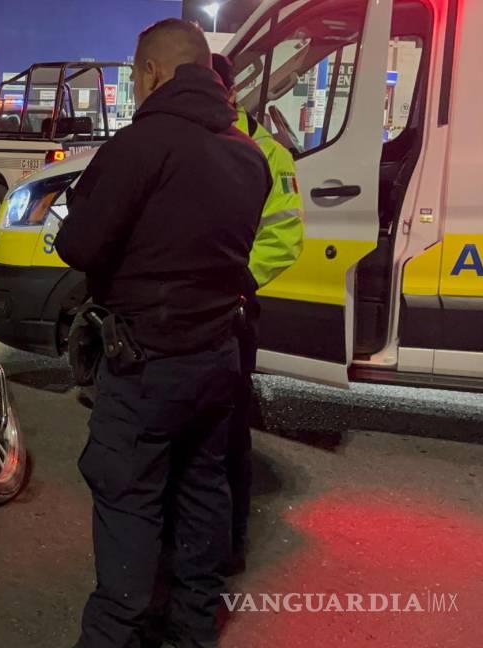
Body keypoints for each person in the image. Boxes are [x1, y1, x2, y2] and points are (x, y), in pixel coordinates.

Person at [54, 19, 270, 648]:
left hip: (146, 359)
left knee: (128, 496)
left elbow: (79, 245)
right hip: (218, 352)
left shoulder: (140, 145)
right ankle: (194, 627)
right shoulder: (247, 152)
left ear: (151, 71)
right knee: (202, 487)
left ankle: (116, 633)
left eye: (134, 73)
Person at [210, 53, 305, 574]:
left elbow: (284, 237)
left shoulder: (268, 152)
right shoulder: (187, 142)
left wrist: (235, 284)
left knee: (229, 432)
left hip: (233, 309)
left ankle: (230, 544)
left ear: (230, 92)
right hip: (190, 309)